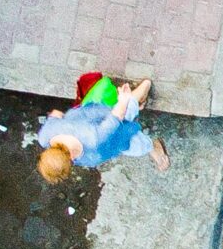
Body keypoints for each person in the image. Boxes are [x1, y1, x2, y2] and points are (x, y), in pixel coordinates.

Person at [35, 74, 170, 179]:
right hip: (91, 112)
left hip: (114, 131)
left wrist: (123, 100)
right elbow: (56, 114)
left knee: (138, 143)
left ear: (70, 159)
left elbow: (116, 118)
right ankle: (139, 96)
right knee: (128, 107)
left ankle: (154, 146)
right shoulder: (45, 137)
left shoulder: (94, 139)